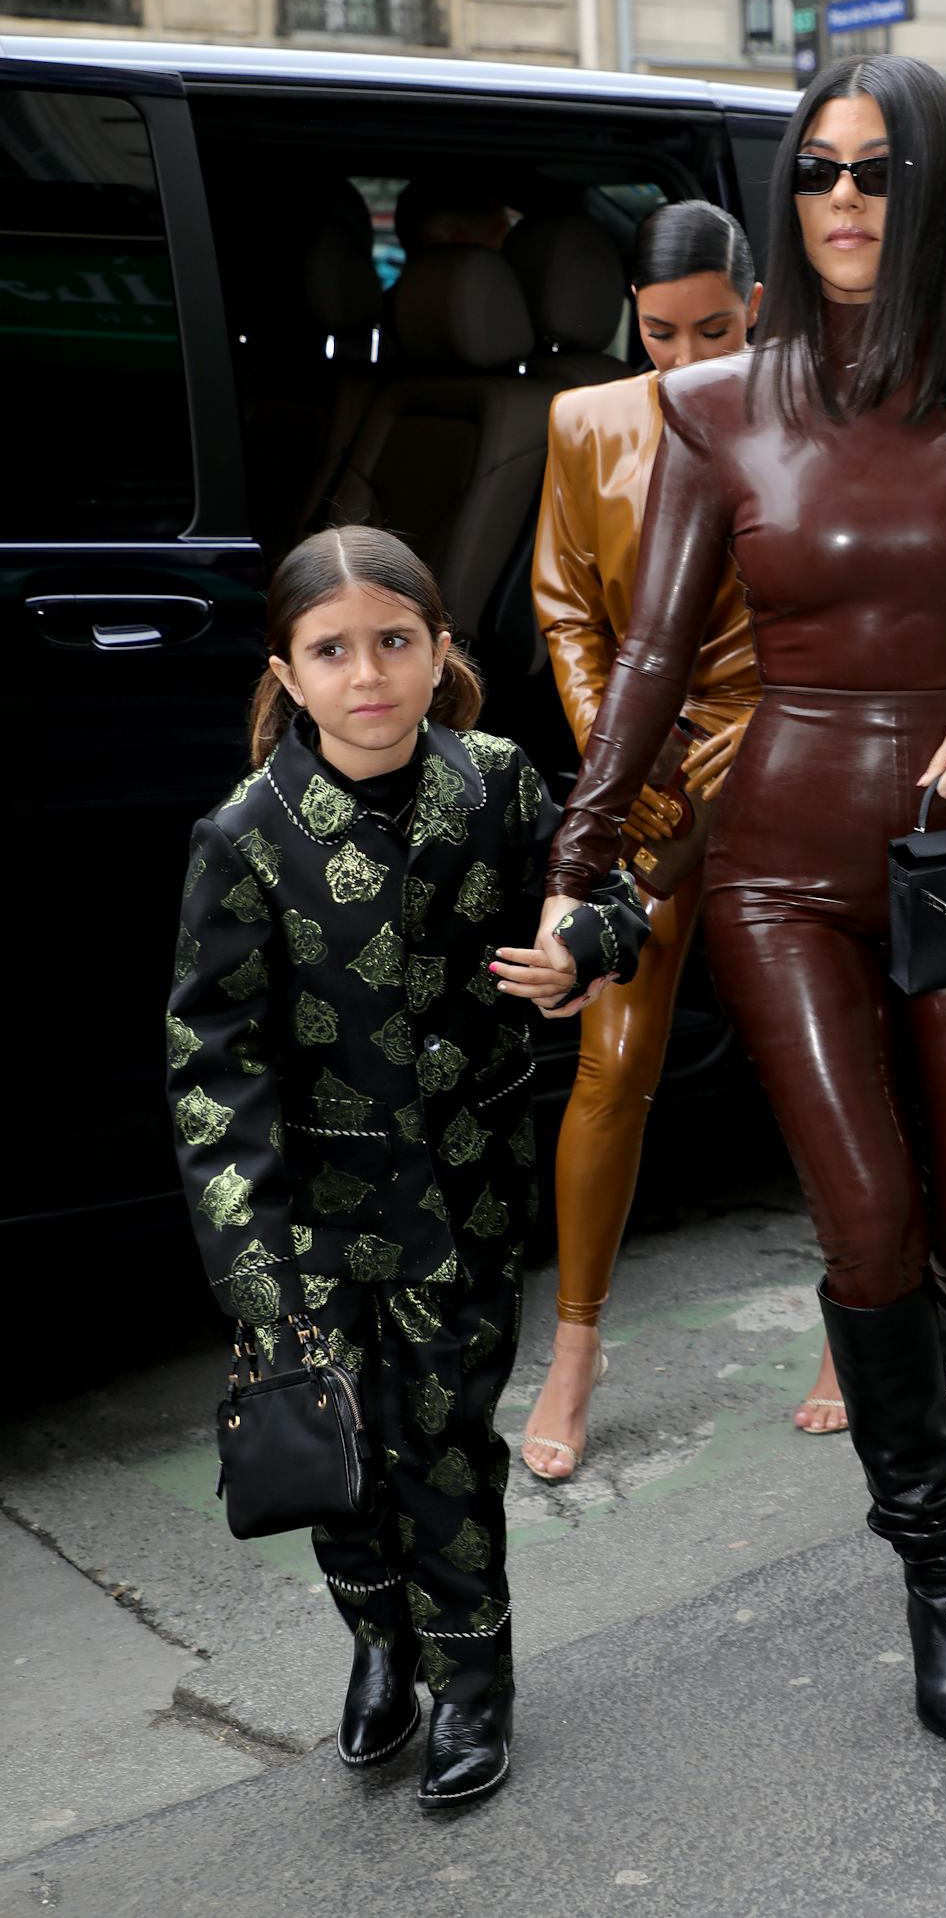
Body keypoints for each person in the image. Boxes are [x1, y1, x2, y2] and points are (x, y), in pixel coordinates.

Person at [511, 56, 946, 1753]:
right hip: (776, 861)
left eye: (877, 171)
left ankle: (915, 1391)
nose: (846, 199)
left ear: (929, 194)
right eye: (819, 173)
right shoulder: (720, 406)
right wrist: (579, 878)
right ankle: (939, 1572)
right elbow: (645, 659)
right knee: (866, 1225)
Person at [166, 527, 646, 1804]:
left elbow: (614, 886)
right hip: (313, 1218)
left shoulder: (496, 785)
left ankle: (474, 1676)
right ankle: (380, 1642)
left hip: (468, 1193)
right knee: (338, 1447)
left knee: (443, 1439)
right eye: (333, 649)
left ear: (440, 653)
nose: (367, 672)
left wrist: (584, 940)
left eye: (395, 640)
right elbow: (215, 1065)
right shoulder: (247, 836)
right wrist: (253, 1264)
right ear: (289, 669)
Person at [520, 201, 843, 1477]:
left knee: (821, 1049)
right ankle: (574, 1346)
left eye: (714, 326)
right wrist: (620, 752)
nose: (685, 354)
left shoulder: (815, 411)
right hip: (640, 777)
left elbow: (837, 599)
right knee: (612, 1061)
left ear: (754, 305)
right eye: (659, 332)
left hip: (778, 761)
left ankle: (856, 1310)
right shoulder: (583, 420)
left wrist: (755, 735)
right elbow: (561, 605)